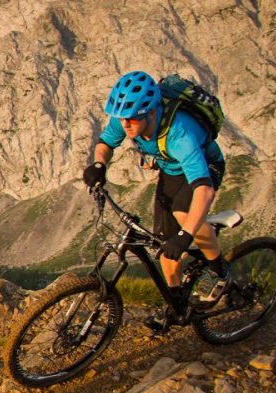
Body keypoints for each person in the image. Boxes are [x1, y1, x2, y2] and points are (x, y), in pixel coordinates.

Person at [83, 70, 228, 331]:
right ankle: (176, 304)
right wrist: (98, 164)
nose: (126, 125)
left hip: (205, 167)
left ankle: (219, 271)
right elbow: (106, 143)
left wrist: (185, 236)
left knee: (183, 214)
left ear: (151, 112)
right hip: (171, 170)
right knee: (164, 241)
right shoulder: (127, 118)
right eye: (122, 118)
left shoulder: (180, 134)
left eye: (132, 119)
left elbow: (204, 191)